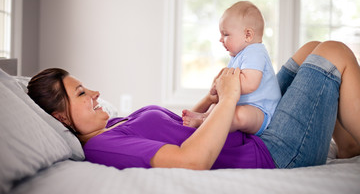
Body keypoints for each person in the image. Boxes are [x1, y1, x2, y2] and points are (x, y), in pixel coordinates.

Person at [27, 41, 360, 170]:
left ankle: (346, 146)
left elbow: (181, 128)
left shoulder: (112, 126)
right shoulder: (104, 147)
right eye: (82, 93)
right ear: (61, 117)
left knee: (310, 51)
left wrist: (212, 98)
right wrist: (230, 98)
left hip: (254, 130)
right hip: (272, 153)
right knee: (334, 53)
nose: (95, 93)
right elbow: (191, 159)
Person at [182, 1, 281, 136]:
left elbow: (250, 84)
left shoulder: (255, 51)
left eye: (226, 34)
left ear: (248, 35)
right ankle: (205, 116)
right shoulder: (238, 56)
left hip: (261, 111)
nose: (221, 39)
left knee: (239, 115)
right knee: (220, 108)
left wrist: (223, 86)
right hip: (245, 105)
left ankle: (205, 121)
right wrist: (218, 89)